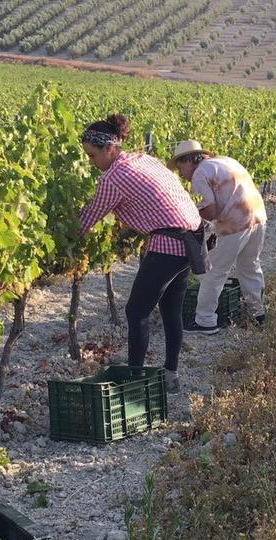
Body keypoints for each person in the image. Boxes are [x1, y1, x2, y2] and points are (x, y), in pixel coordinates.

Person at [77, 114, 202, 394]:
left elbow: (86, 220)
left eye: (93, 155)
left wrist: (59, 239)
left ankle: (135, 381)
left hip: (168, 243)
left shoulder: (113, 177)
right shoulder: (142, 159)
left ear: (110, 148)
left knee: (136, 311)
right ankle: (171, 375)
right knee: (171, 309)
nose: (91, 162)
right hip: (191, 237)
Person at [169, 140, 267, 334]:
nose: (181, 175)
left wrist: (189, 217)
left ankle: (205, 321)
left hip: (235, 223)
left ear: (188, 161)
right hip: (258, 217)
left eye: (180, 168)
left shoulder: (199, 174)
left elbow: (211, 211)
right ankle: (258, 314)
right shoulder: (225, 161)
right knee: (250, 266)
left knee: (213, 272)